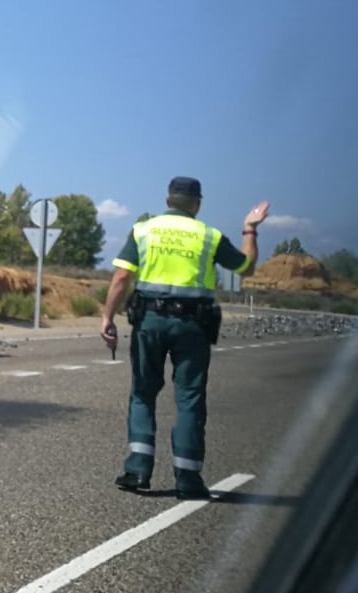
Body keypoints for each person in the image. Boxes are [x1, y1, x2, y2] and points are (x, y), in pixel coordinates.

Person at [100, 178, 269, 499]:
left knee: (142, 392)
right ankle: (188, 478)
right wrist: (250, 228)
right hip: (193, 326)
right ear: (198, 204)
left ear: (168, 200)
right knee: (190, 398)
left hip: (150, 321)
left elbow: (122, 276)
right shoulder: (210, 236)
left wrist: (107, 317)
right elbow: (246, 268)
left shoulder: (144, 230)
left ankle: (138, 470)